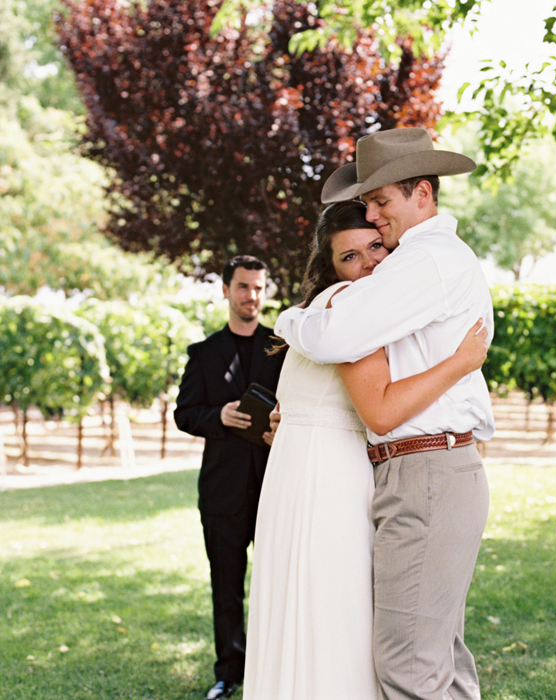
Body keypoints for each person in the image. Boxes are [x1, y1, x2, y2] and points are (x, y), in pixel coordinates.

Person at [274, 128, 495, 700]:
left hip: (425, 473)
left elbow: (338, 336)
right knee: (438, 658)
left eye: (380, 202)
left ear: (422, 192)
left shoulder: (425, 261)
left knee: (408, 666)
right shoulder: (423, 259)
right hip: (431, 468)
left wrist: (289, 320)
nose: (373, 219)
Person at [174, 255, 285, 700]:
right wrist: (217, 416)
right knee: (226, 589)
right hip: (221, 493)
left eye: (259, 288)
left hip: (277, 486)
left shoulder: (282, 346)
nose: (252, 297)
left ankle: (272, 667)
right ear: (225, 290)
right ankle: (228, 673)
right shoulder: (202, 354)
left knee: (277, 583)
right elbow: (184, 413)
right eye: (243, 287)